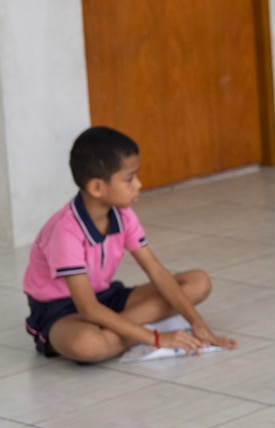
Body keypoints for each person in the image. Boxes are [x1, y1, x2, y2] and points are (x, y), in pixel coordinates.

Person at [23, 127, 235, 362]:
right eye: (129, 179)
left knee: (198, 282)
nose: (139, 184)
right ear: (96, 187)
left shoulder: (123, 215)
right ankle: (132, 330)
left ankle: (116, 331)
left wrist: (197, 323)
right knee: (88, 345)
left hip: (105, 297)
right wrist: (156, 338)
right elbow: (88, 309)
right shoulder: (65, 231)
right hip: (61, 311)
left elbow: (157, 272)